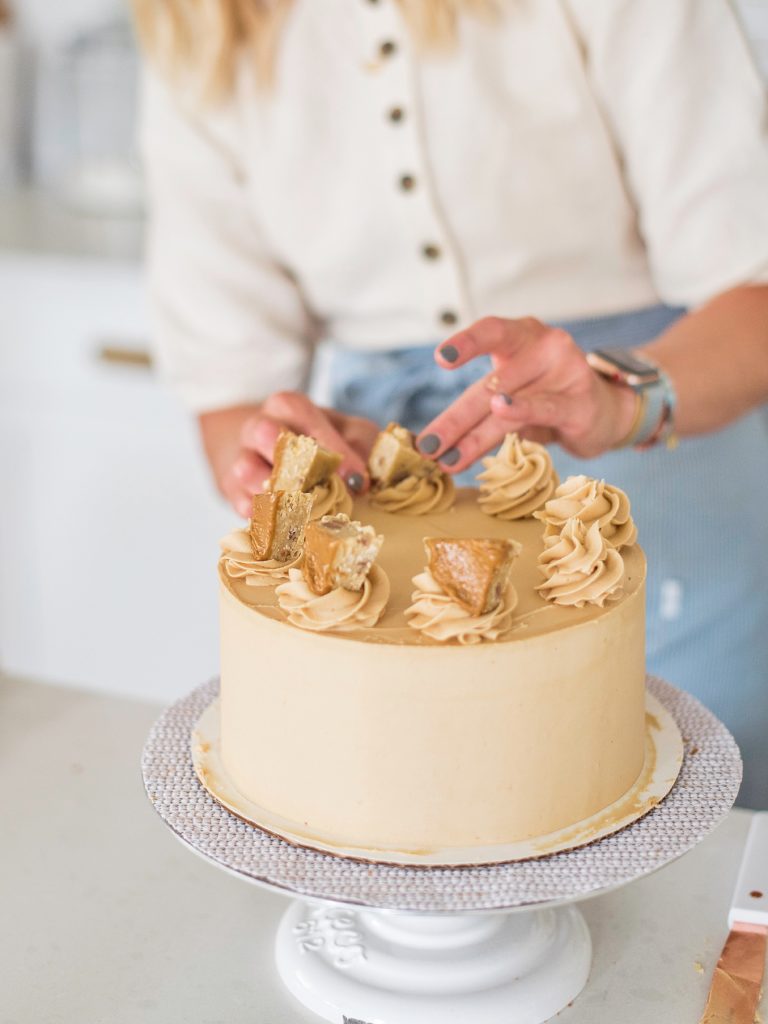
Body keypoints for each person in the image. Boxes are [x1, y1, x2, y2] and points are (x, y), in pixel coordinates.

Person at [134, 0, 768, 807]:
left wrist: (615, 397)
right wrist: (281, 458)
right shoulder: (193, 26)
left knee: (702, 880)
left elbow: (757, 295)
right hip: (384, 543)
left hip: (677, 499)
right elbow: (231, 399)